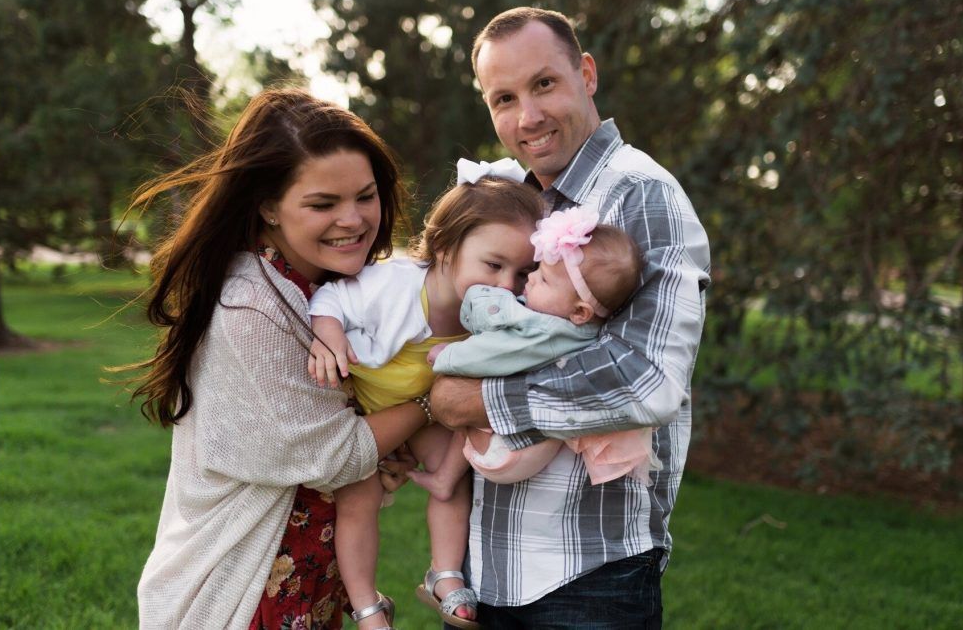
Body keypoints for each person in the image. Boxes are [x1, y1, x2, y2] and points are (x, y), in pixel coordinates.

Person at [429, 7, 711, 628]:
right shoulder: (511, 201)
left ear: (586, 73)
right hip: (488, 573)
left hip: (589, 579)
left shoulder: (640, 193)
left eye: (544, 84)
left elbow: (644, 376)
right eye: (504, 98)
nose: (527, 116)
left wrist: (474, 400)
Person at [130, 88, 430, 630]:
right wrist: (435, 401)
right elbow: (335, 455)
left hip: (304, 577)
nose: (353, 219)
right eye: (322, 204)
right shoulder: (252, 307)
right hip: (243, 591)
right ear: (269, 205)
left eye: (365, 196)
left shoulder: (325, 291)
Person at [305, 168, 542, 629]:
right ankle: (366, 605)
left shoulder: (499, 315)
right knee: (358, 497)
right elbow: (331, 299)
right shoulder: (392, 284)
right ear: (446, 249)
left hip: (427, 414)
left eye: (522, 272)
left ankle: (445, 572)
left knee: (455, 481)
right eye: (493, 266)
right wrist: (329, 337)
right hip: (367, 409)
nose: (507, 285)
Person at [411, 206, 655, 500]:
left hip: (508, 449)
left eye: (545, 280)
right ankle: (445, 478)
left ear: (579, 311)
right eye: (537, 270)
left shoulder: (545, 330)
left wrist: (450, 354)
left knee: (470, 400)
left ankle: (445, 477)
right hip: (527, 442)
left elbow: (494, 353)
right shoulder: (579, 328)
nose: (532, 279)